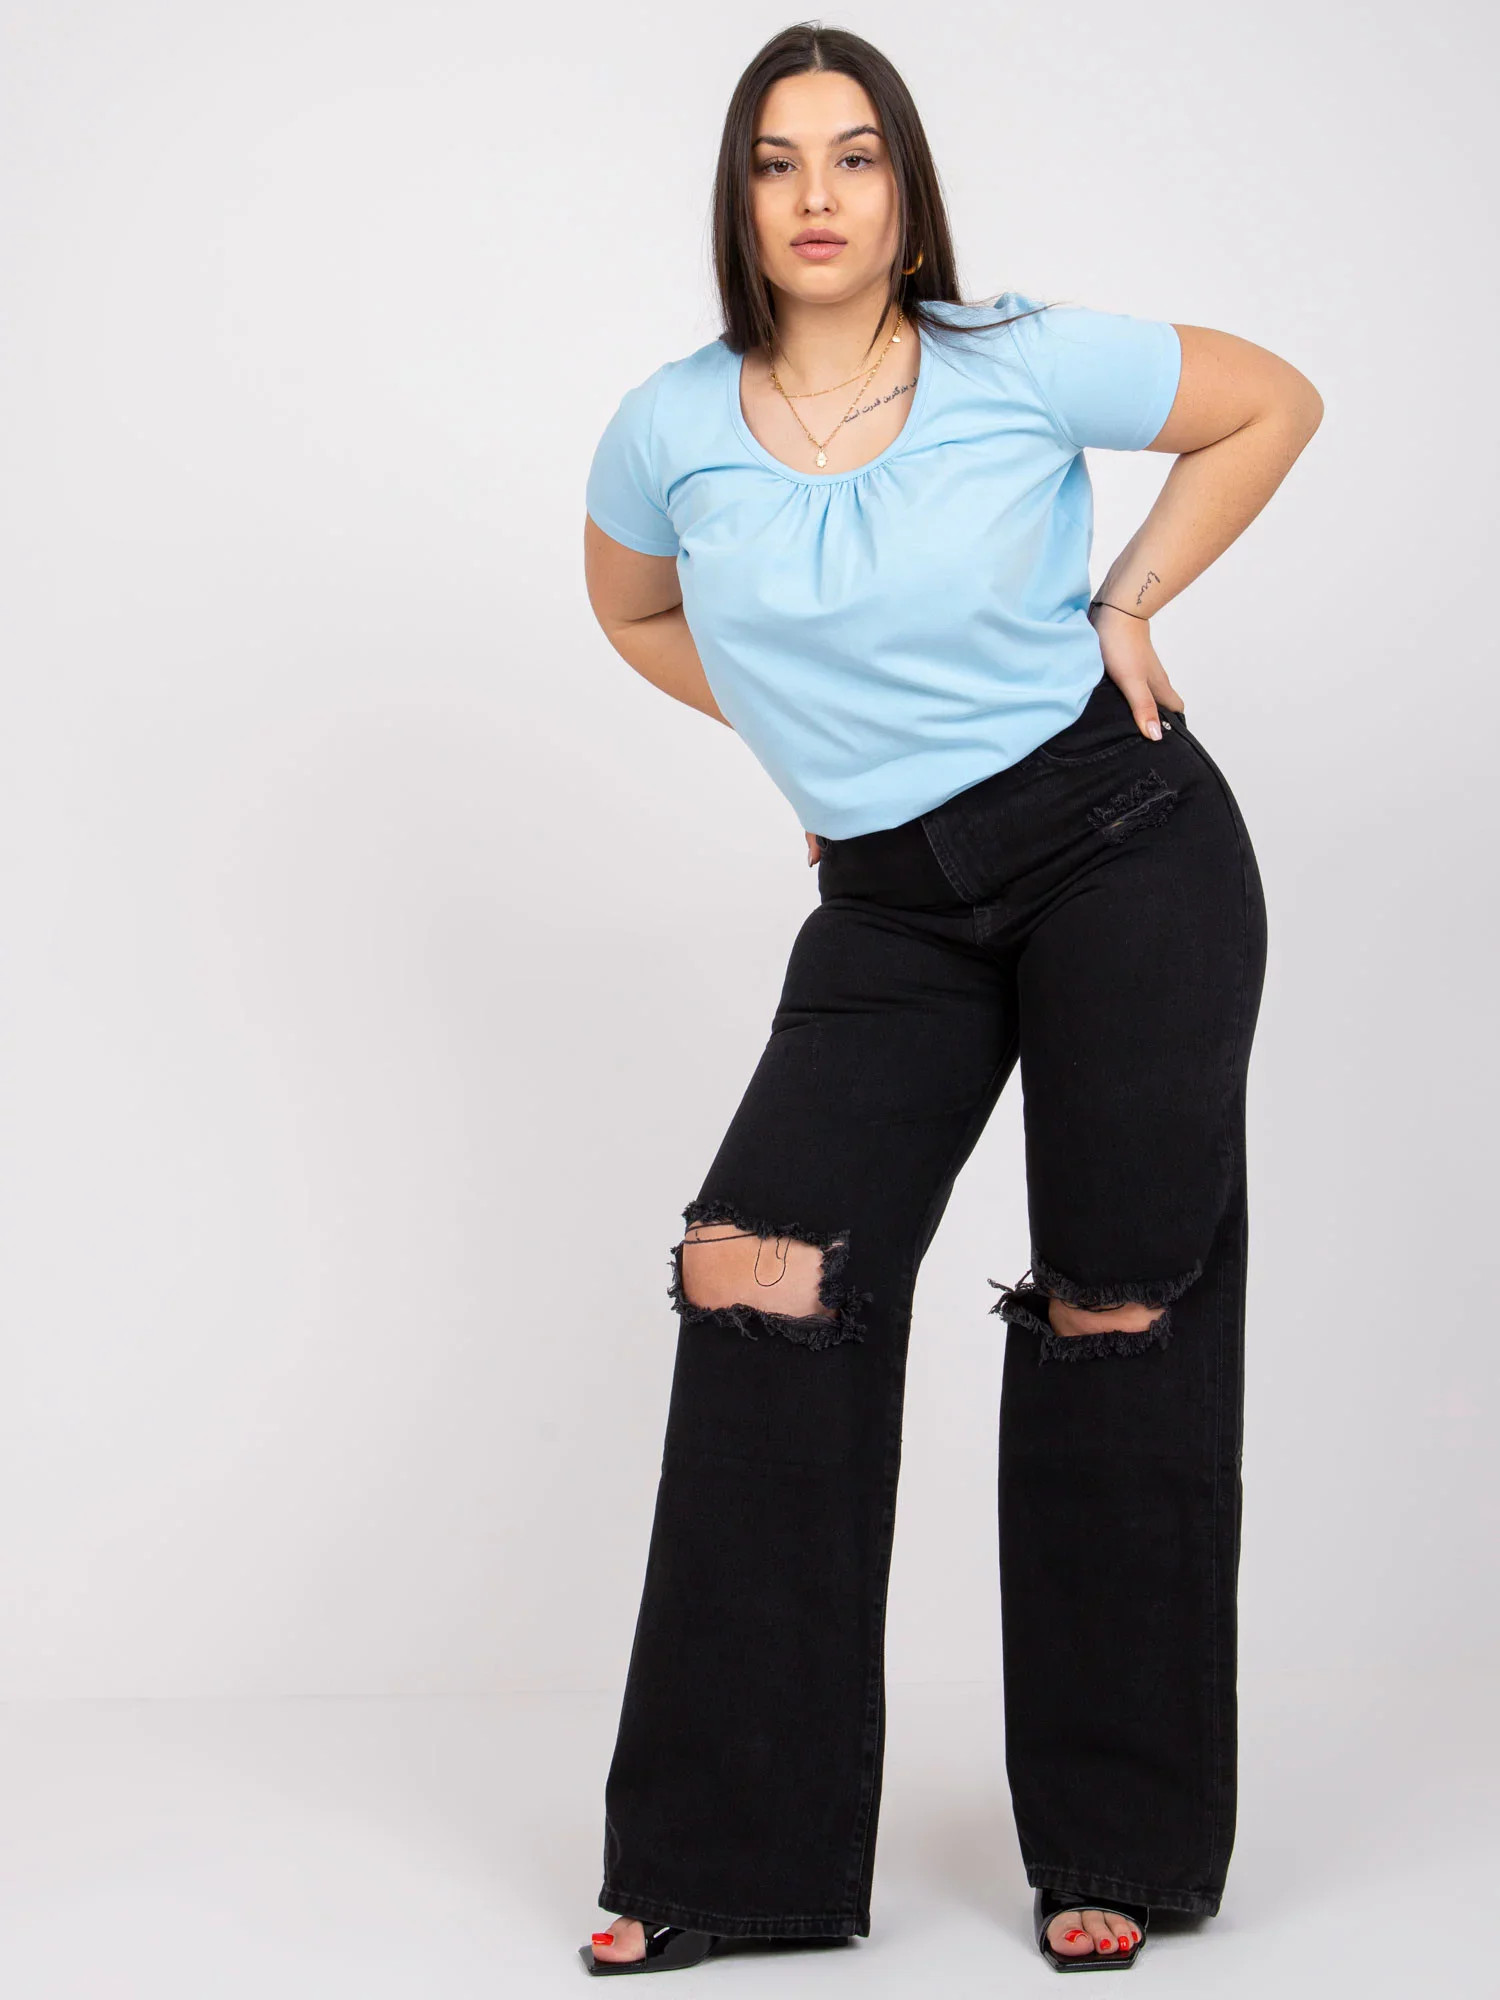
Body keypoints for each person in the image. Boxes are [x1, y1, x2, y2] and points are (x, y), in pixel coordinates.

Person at [577, 21, 1321, 1979]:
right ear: (739, 201)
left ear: (905, 196)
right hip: (891, 908)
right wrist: (815, 738)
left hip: (1119, 843)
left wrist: (1129, 599)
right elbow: (634, 608)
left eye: (855, 156)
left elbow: (1271, 401)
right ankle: (730, 1856)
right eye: (776, 161)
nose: (816, 194)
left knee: (1116, 1308)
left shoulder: (1015, 359)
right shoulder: (667, 424)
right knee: (758, 1272)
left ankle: (1120, 1843)